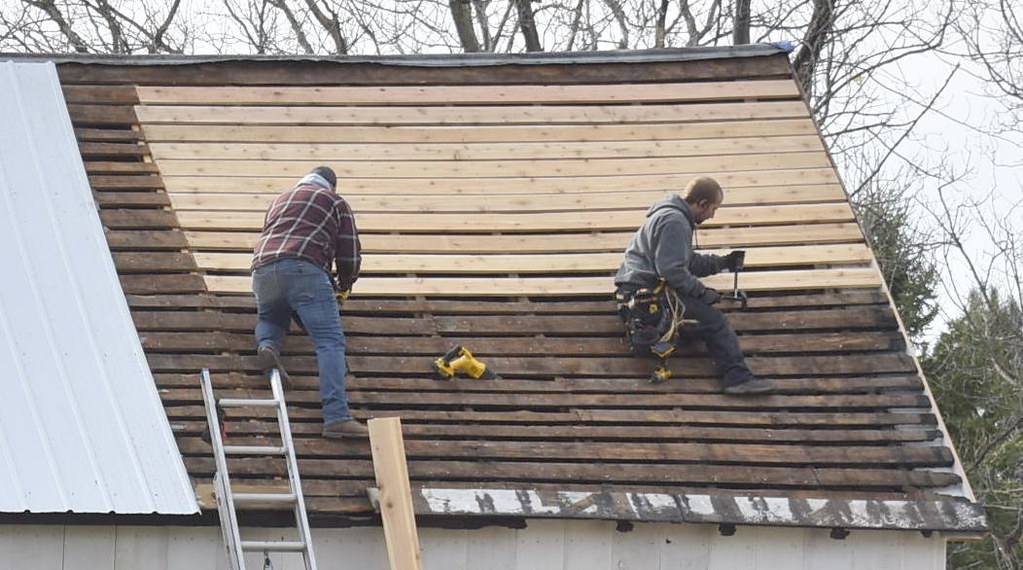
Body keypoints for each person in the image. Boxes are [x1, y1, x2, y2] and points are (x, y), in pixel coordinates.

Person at [614, 176, 776, 395]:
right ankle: (738, 379)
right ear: (702, 203)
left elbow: (686, 260)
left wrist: (722, 262)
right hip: (648, 294)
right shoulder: (675, 221)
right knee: (715, 322)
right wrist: (702, 293)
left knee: (702, 318)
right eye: (713, 209)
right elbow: (671, 270)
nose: (712, 215)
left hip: (642, 290)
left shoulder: (670, 216)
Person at [251, 166, 369, 438]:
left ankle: (267, 346)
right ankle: (337, 416)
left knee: (271, 318)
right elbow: (349, 250)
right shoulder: (334, 201)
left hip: (263, 270)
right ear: (331, 186)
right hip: (304, 269)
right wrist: (345, 284)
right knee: (330, 340)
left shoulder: (280, 200)